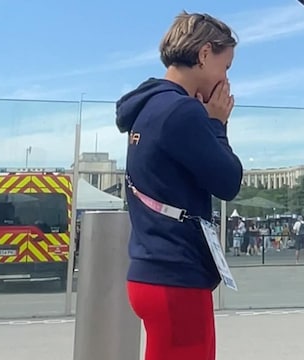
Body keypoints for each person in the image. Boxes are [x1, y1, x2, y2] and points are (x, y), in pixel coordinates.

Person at [114, 11, 243, 360]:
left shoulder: (147, 107)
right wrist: (217, 124)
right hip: (176, 274)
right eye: (225, 65)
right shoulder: (182, 111)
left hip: (148, 268)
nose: (226, 77)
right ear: (204, 54)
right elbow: (228, 181)